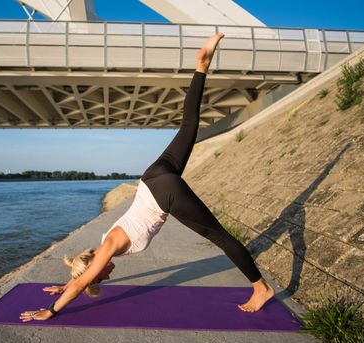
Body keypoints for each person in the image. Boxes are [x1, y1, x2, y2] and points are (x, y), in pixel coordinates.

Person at [20, 32, 275, 323]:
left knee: (219, 237)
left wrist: (51, 311)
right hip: (153, 176)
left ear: (96, 267)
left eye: (99, 278)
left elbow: (82, 282)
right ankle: (202, 65)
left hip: (164, 191)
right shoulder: (103, 244)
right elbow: (82, 278)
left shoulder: (109, 247)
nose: (105, 277)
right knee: (189, 125)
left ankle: (261, 287)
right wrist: (66, 283)